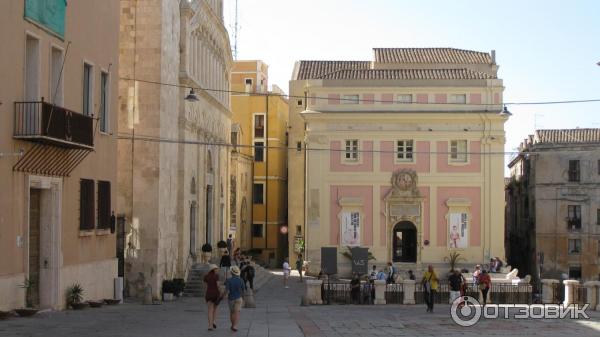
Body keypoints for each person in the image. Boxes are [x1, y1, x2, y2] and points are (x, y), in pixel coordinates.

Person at [224, 266, 245, 332]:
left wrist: (223, 296)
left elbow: (227, 290)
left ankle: (233, 325)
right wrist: (243, 298)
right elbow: (243, 290)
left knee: (232, 312)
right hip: (239, 298)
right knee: (237, 312)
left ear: (231, 272)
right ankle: (235, 326)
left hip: (231, 298)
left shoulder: (229, 280)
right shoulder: (241, 280)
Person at [203, 264, 221, 331]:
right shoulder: (216, 276)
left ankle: (210, 326)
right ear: (213, 269)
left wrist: (206, 293)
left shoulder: (206, 276)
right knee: (215, 309)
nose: (217, 270)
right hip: (216, 294)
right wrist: (221, 292)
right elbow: (218, 285)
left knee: (210, 310)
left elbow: (205, 287)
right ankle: (214, 321)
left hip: (209, 294)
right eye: (216, 269)